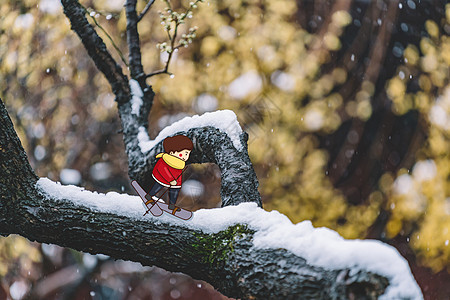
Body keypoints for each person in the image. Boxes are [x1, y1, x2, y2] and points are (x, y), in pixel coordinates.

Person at [145, 135, 193, 212]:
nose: (185, 156)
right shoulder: (165, 160)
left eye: (187, 154)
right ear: (172, 152)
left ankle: (171, 205)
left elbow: (177, 174)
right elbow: (163, 171)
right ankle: (149, 195)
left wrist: (177, 183)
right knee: (158, 186)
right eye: (183, 153)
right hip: (162, 178)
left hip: (175, 182)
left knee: (174, 191)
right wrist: (171, 179)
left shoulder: (179, 164)